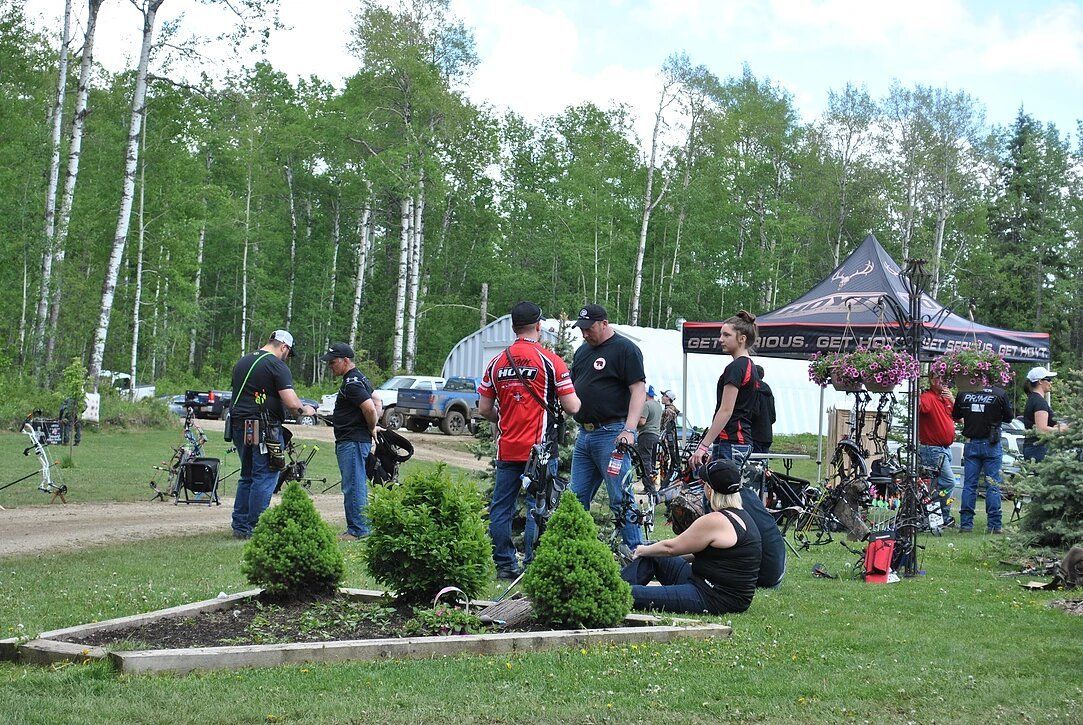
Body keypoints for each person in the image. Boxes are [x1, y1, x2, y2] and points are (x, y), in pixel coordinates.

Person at [478, 301, 580, 579]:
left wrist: (505, 418)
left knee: (501, 508)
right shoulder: (551, 361)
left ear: (513, 327)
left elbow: (484, 409)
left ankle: (504, 565)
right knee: (540, 505)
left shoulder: (496, 362)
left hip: (508, 447)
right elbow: (572, 406)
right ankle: (532, 565)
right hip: (541, 450)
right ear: (538, 326)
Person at [622, 459, 762, 614]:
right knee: (654, 554)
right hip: (709, 586)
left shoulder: (716, 520)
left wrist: (641, 550)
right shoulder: (743, 517)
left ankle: (608, 592)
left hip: (713, 597)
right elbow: (703, 553)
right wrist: (651, 551)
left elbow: (671, 548)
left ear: (710, 489)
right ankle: (617, 585)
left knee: (631, 593)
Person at [569, 303, 646, 550]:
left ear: (604, 323)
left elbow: (638, 389)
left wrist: (630, 429)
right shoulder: (582, 351)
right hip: (585, 435)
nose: (585, 334)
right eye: (581, 329)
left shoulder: (625, 350)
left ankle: (636, 553)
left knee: (620, 497)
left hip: (612, 434)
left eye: (589, 328)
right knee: (575, 498)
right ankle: (575, 550)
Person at [229, 330, 316, 539]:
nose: (287, 356)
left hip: (240, 425)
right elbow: (291, 402)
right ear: (284, 347)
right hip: (263, 427)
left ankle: (240, 526)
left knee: (247, 474)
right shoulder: (276, 365)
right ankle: (256, 527)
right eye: (288, 352)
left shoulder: (244, 361)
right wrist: (306, 409)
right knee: (266, 474)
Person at [321, 342, 379, 541]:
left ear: (346, 361)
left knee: (353, 485)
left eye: (333, 362)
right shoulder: (359, 378)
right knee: (356, 483)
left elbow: (371, 408)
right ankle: (360, 527)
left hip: (353, 441)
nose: (330, 366)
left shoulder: (352, 382)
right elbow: (377, 400)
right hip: (354, 439)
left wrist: (372, 427)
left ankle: (358, 530)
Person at [690, 311, 760, 468]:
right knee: (721, 491)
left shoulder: (736, 367)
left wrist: (703, 446)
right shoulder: (751, 366)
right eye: (721, 334)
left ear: (742, 339)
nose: (720, 339)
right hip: (739, 441)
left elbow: (726, 411)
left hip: (731, 441)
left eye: (726, 335)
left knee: (727, 492)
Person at [952, 378, 1015, 534]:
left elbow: (955, 414)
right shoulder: (999, 394)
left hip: (971, 442)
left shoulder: (963, 393)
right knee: (992, 485)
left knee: (969, 485)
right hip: (991, 443)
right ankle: (994, 525)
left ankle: (966, 524)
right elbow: (1009, 417)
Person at [918, 372, 958, 527]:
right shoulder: (927, 397)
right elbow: (919, 407)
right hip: (933, 449)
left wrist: (953, 399)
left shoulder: (946, 398)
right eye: (936, 378)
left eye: (943, 378)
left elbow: (960, 418)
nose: (940, 381)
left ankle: (935, 518)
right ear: (930, 380)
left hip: (945, 449)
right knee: (948, 482)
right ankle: (941, 516)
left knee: (937, 484)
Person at [1022, 366, 1068, 463]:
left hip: (1032, 448)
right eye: (1049, 379)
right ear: (1040, 381)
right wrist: (1062, 429)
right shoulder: (1039, 402)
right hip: (1038, 449)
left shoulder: (1033, 399)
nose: (1051, 382)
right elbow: (1041, 430)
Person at [637, 386, 664, 486]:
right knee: (652, 461)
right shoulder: (658, 405)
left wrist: (633, 422)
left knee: (645, 461)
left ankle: (648, 486)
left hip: (646, 435)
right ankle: (652, 483)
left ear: (646, 394)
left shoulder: (646, 405)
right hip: (656, 436)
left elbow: (642, 421)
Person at [750, 365, 775, 455]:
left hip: (755, 434)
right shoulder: (769, 393)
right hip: (767, 434)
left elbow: (754, 412)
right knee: (763, 464)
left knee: (754, 463)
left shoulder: (754, 390)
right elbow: (773, 416)